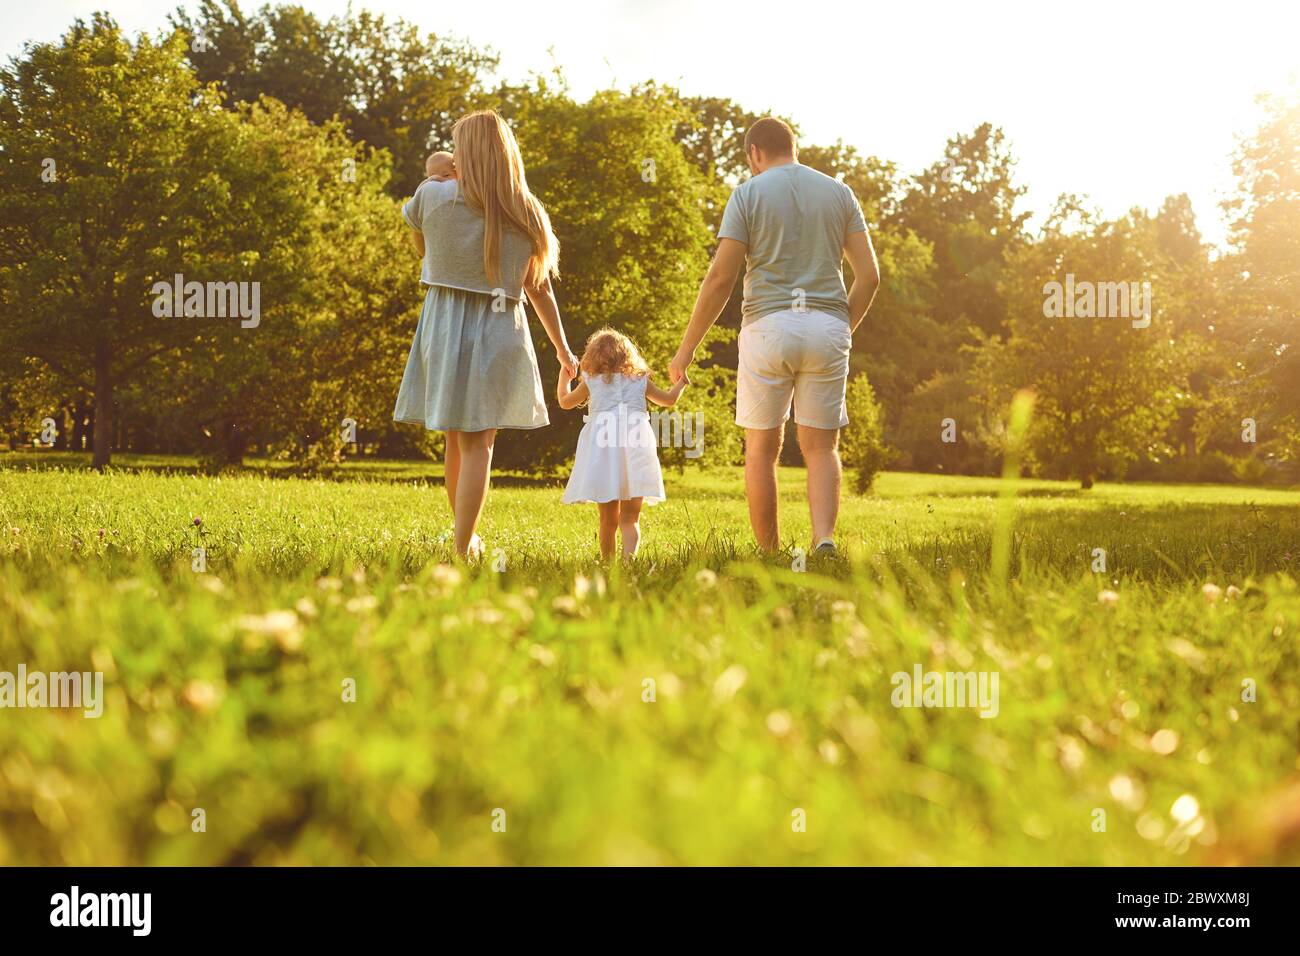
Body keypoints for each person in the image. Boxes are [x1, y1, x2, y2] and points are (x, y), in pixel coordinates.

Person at [669, 117, 880, 556]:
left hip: (768, 326)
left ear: (754, 154)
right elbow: (870, 276)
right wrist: (842, 328)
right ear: (793, 147)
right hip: (826, 326)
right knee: (821, 446)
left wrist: (685, 351)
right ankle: (824, 539)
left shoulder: (748, 193)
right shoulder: (839, 193)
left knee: (761, 449)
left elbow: (719, 279)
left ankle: (769, 552)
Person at [394, 110, 578, 559]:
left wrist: (435, 174)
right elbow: (539, 288)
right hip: (499, 326)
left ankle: (463, 539)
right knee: (479, 442)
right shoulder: (525, 208)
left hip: (443, 324)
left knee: (456, 437)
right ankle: (464, 541)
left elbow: (417, 236)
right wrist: (563, 349)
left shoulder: (434, 196)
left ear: (466, 153)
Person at [557, 328, 688, 560]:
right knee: (630, 518)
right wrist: (681, 383)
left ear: (593, 356)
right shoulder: (640, 380)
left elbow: (565, 402)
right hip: (636, 449)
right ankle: (629, 563)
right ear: (630, 355)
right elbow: (668, 400)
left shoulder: (592, 381)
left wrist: (564, 376)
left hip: (603, 452)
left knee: (608, 519)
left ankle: (608, 564)